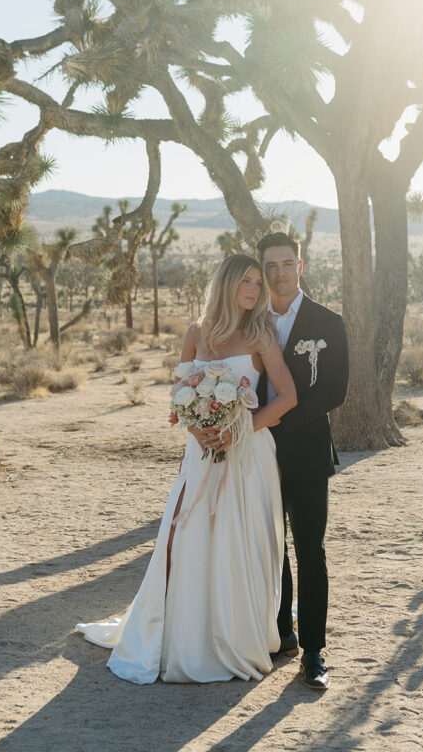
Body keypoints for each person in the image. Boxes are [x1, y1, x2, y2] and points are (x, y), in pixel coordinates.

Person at [76, 254, 296, 684]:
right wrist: (199, 432)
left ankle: (238, 634)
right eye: (245, 281)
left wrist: (239, 430)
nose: (254, 289)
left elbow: (286, 397)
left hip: (248, 454)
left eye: (258, 282)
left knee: (241, 540)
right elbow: (180, 393)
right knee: (192, 536)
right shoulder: (197, 333)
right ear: (226, 284)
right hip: (201, 453)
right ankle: (185, 636)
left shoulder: (261, 334)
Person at [257, 231, 349, 691]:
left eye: (286, 263)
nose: (279, 273)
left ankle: (313, 652)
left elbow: (337, 390)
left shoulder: (328, 322)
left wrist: (283, 420)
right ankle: (282, 633)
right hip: (257, 453)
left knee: (310, 550)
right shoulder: (249, 321)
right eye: (270, 266)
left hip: (308, 451)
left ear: (301, 264)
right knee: (272, 549)